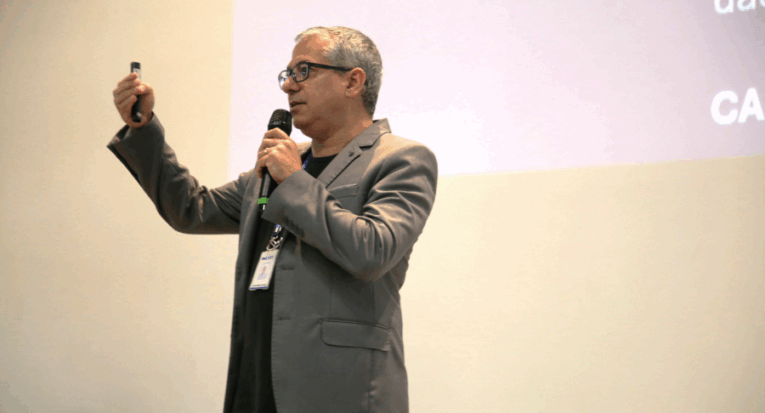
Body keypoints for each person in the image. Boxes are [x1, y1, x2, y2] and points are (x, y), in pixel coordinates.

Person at [109, 26, 437, 413]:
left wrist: (295, 180)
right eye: (287, 74)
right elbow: (192, 210)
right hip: (256, 380)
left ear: (353, 81)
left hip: (338, 389)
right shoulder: (277, 166)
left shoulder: (400, 160)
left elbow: (373, 251)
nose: (288, 86)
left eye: (304, 71)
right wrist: (144, 128)